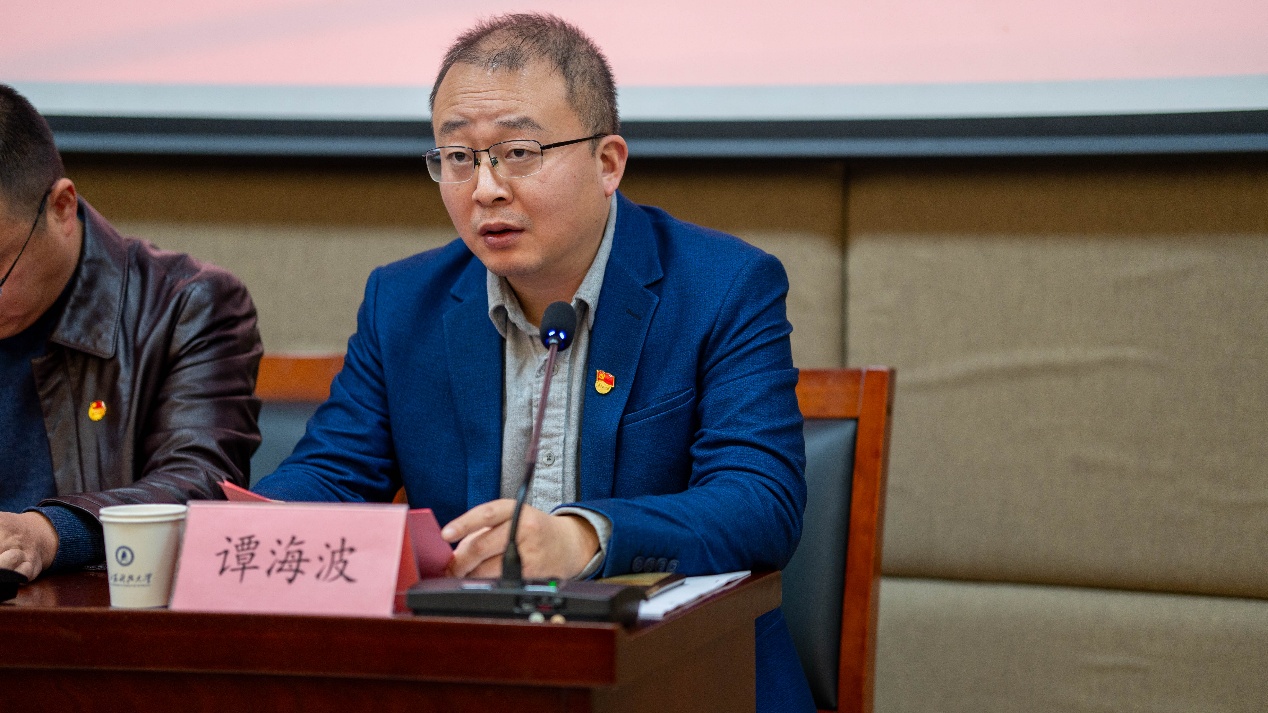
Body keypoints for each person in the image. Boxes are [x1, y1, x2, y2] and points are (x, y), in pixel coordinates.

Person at [253, 14, 814, 710]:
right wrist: (246, 526)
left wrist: (583, 537)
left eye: (518, 152)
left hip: (683, 678)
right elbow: (332, 473)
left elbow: (760, 501)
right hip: (471, 680)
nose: (485, 187)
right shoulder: (402, 302)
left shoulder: (723, 286)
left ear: (608, 163)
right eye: (458, 157)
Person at [0, 84, 263, 582]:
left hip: (96, 612)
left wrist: (46, 533)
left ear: (62, 207)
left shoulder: (186, 306)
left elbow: (200, 483)